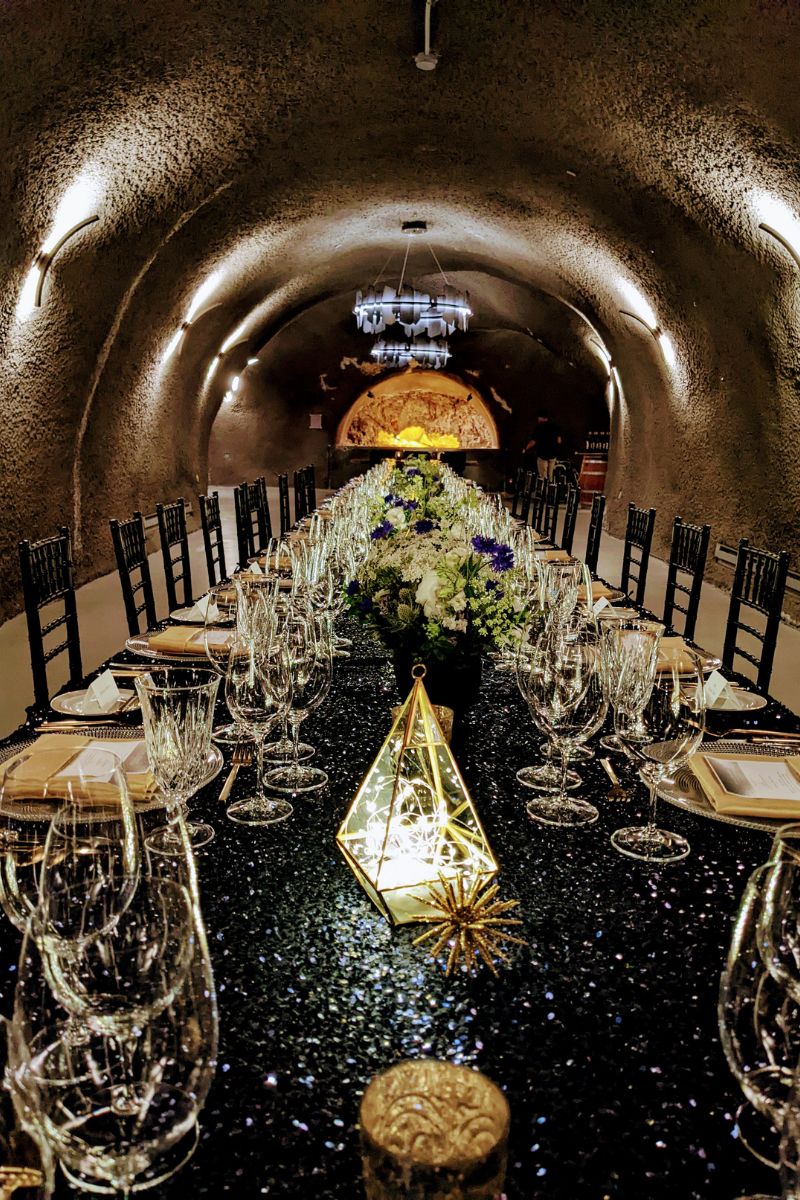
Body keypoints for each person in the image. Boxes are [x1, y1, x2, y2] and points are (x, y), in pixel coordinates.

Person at [524, 413, 562, 481]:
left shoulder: (539, 427)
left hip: (543, 454)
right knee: (550, 474)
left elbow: (533, 441)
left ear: (543, 418)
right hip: (553, 454)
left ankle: (543, 490)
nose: (538, 419)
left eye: (539, 417)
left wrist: (525, 448)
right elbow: (559, 441)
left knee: (543, 476)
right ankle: (550, 489)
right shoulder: (555, 426)